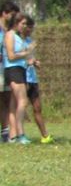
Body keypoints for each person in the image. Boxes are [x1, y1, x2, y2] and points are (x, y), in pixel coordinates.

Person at [3, 12, 35, 144]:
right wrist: (27, 52)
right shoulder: (10, 35)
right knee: (23, 101)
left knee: (14, 103)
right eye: (23, 23)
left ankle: (13, 135)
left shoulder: (18, 36)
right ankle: (21, 134)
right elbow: (11, 56)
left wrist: (30, 60)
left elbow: (21, 55)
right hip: (13, 70)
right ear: (16, 23)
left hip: (20, 69)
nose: (25, 26)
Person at [21, 17, 52, 143]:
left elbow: (30, 58)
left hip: (32, 78)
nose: (30, 30)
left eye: (32, 28)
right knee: (21, 107)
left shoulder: (30, 40)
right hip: (22, 77)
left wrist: (35, 62)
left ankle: (45, 136)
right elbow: (15, 58)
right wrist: (28, 60)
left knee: (37, 107)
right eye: (29, 27)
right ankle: (19, 134)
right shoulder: (18, 41)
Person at [0, 1, 18, 143]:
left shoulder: (9, 30)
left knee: (8, 99)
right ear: (4, 13)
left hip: (7, 67)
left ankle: (7, 131)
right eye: (12, 14)